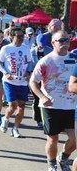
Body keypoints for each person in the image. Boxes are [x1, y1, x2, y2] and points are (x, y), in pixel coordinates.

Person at [30, 30, 77, 171]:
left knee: (73, 141)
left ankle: (62, 158)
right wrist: (42, 97)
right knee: (53, 138)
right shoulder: (46, 61)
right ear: (53, 43)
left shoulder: (75, 59)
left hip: (70, 106)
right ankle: (51, 164)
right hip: (50, 106)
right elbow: (33, 82)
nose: (64, 43)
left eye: (67, 40)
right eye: (61, 41)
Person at [0, 27, 32, 138]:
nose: (21, 38)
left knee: (21, 106)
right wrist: (5, 73)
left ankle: (15, 129)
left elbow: (30, 62)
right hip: (9, 81)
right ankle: (5, 118)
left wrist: (29, 72)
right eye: (18, 36)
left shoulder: (26, 48)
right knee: (12, 106)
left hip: (22, 82)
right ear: (11, 37)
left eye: (23, 36)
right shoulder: (6, 49)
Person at [30, 34, 53, 127]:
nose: (41, 46)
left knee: (47, 98)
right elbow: (29, 65)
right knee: (37, 98)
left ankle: (48, 119)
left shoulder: (50, 51)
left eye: (43, 44)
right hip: (35, 78)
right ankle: (38, 119)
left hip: (47, 79)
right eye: (40, 44)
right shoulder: (31, 52)